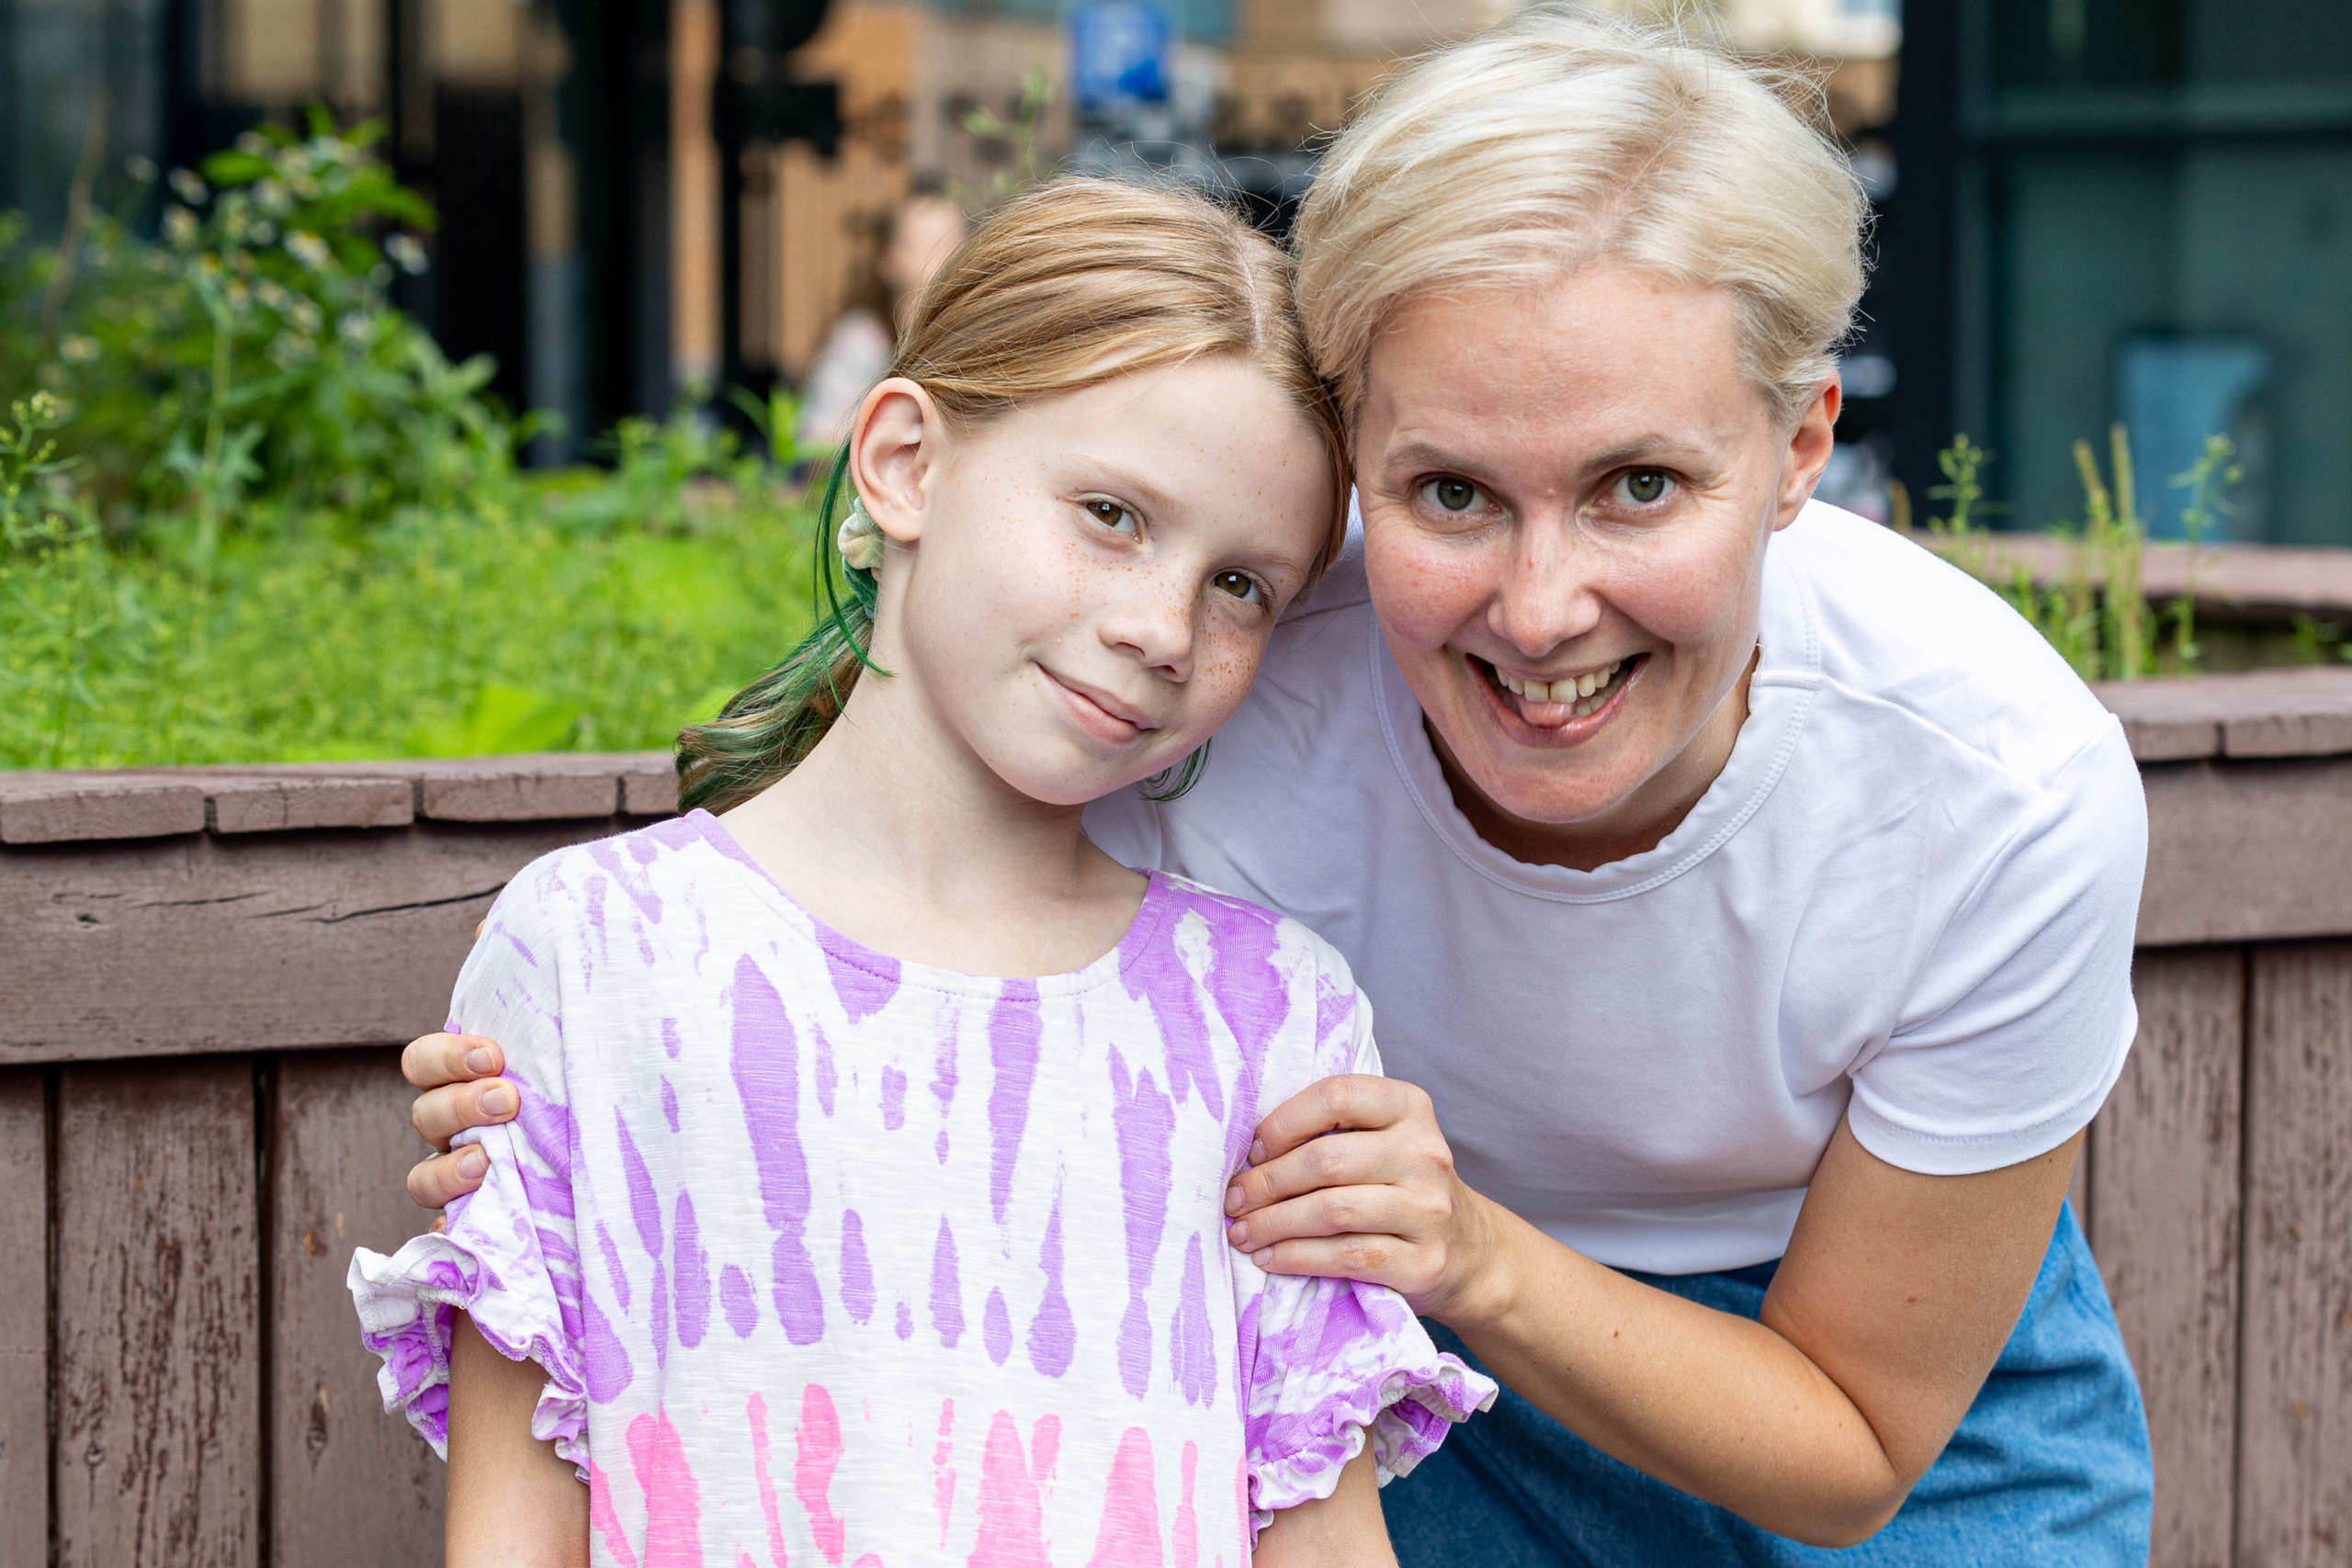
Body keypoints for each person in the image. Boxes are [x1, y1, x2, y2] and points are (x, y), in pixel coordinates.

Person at [401, 11, 2155, 1562]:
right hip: (1399, 1363)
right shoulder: (1225, 646)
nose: (1542, 609)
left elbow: (1855, 1444)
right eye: (1450, 492)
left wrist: (1467, 1250)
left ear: (1797, 449)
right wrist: (598, 1089)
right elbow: (909, 849)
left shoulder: (1997, 787)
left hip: (1839, 1395)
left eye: (1637, 483)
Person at [349, 179, 1492, 1567]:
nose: (1162, 627)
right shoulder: (595, 952)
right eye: (1113, 513)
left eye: (1242, 583)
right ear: (901, 461)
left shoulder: (1270, 1015)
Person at [790, 187, 970, 457]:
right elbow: (816, 436)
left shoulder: (974, 333)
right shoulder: (864, 337)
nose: (943, 258)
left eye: (952, 243)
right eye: (926, 244)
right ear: (888, 260)